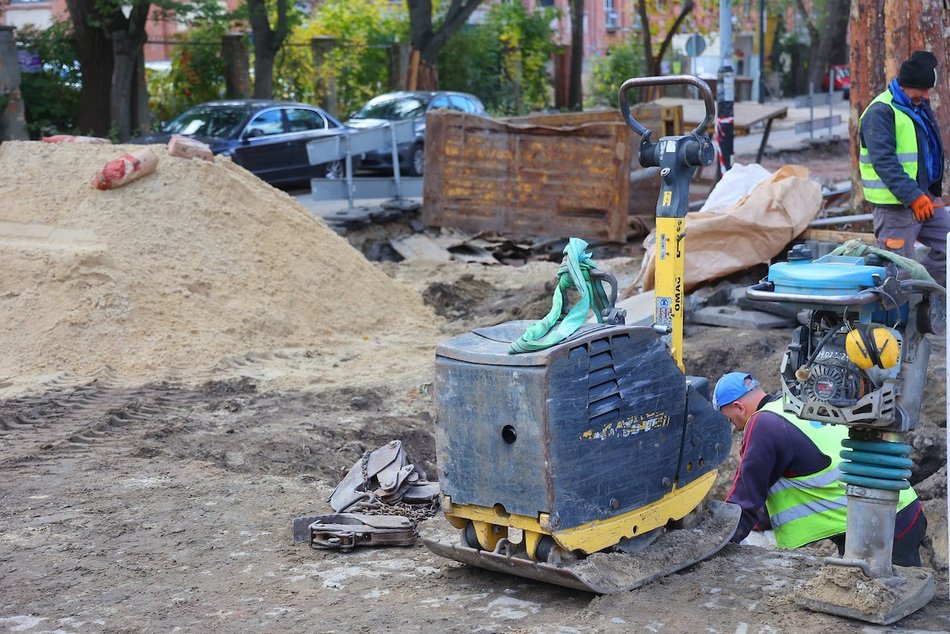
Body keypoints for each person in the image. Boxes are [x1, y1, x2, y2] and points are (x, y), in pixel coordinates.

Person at [712, 372, 927, 565]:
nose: (733, 426)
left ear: (739, 407)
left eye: (728, 417)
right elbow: (782, 484)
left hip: (878, 527)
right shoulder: (793, 407)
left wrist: (717, 541)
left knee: (880, 601)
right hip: (899, 512)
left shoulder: (762, 424)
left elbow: (746, 494)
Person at [858, 50, 947, 287]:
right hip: (894, 208)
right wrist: (913, 196)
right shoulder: (880, 112)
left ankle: (930, 301)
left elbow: (930, 151)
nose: (928, 95)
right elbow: (884, 163)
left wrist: (932, 192)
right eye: (923, 89)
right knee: (899, 273)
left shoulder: (918, 105)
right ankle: (895, 323)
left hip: (923, 199)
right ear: (908, 85)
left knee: (946, 246)